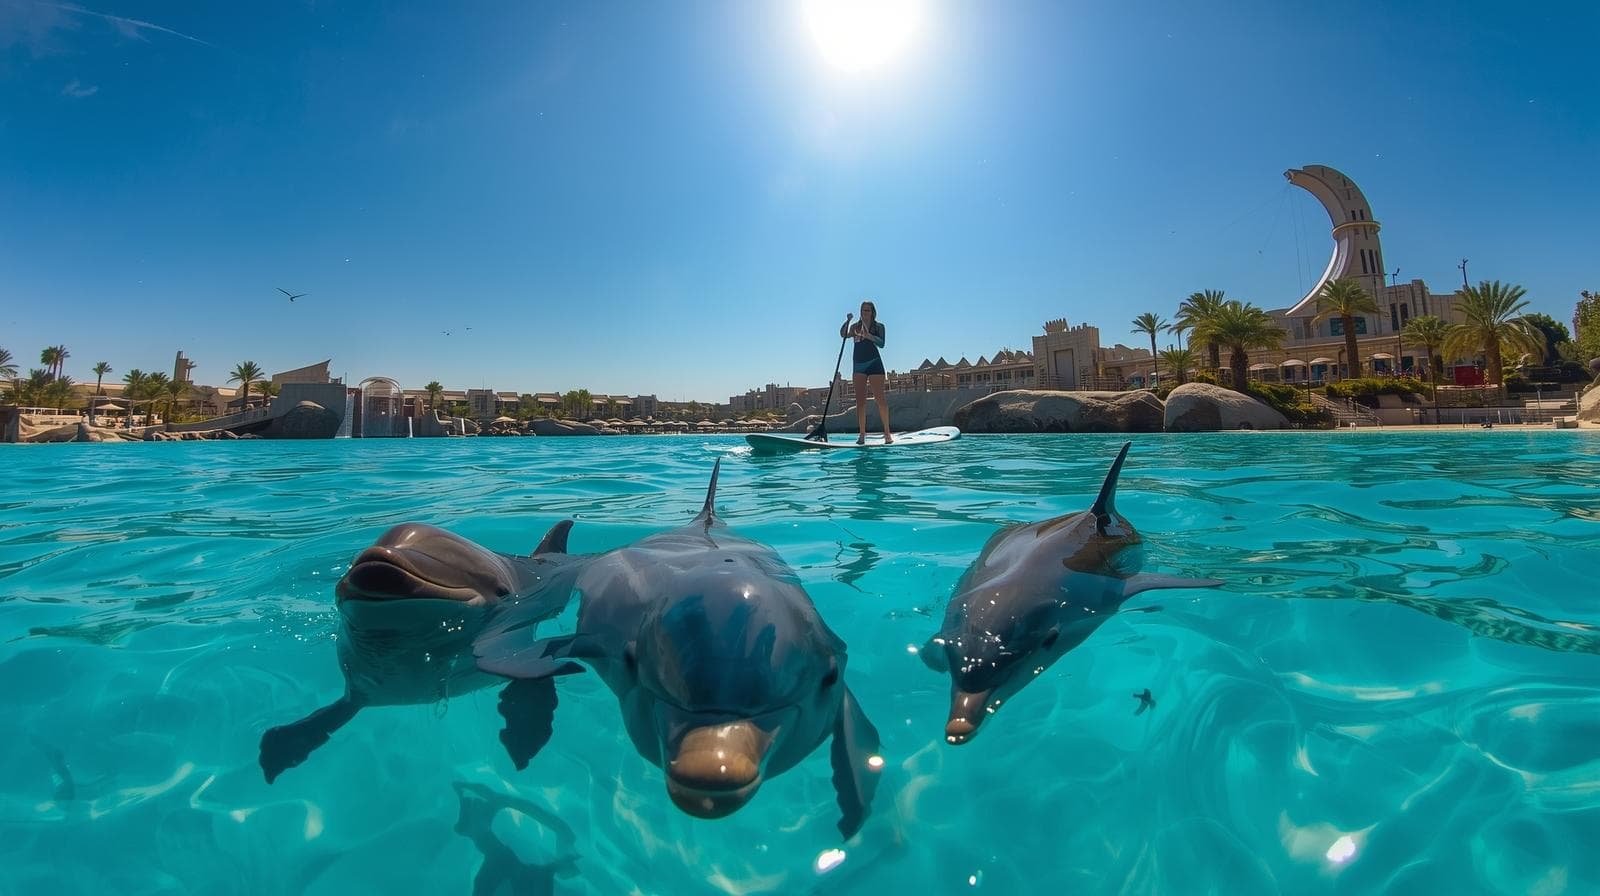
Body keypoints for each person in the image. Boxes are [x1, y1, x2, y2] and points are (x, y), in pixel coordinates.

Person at [841, 300, 892, 445]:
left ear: (873, 312)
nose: (865, 313)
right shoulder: (855, 326)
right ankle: (862, 435)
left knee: (880, 399)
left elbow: (882, 344)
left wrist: (869, 336)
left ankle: (887, 433)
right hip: (858, 366)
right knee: (860, 402)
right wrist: (847, 321)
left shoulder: (879, 327)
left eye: (868, 310)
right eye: (863, 310)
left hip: (875, 364)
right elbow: (843, 335)